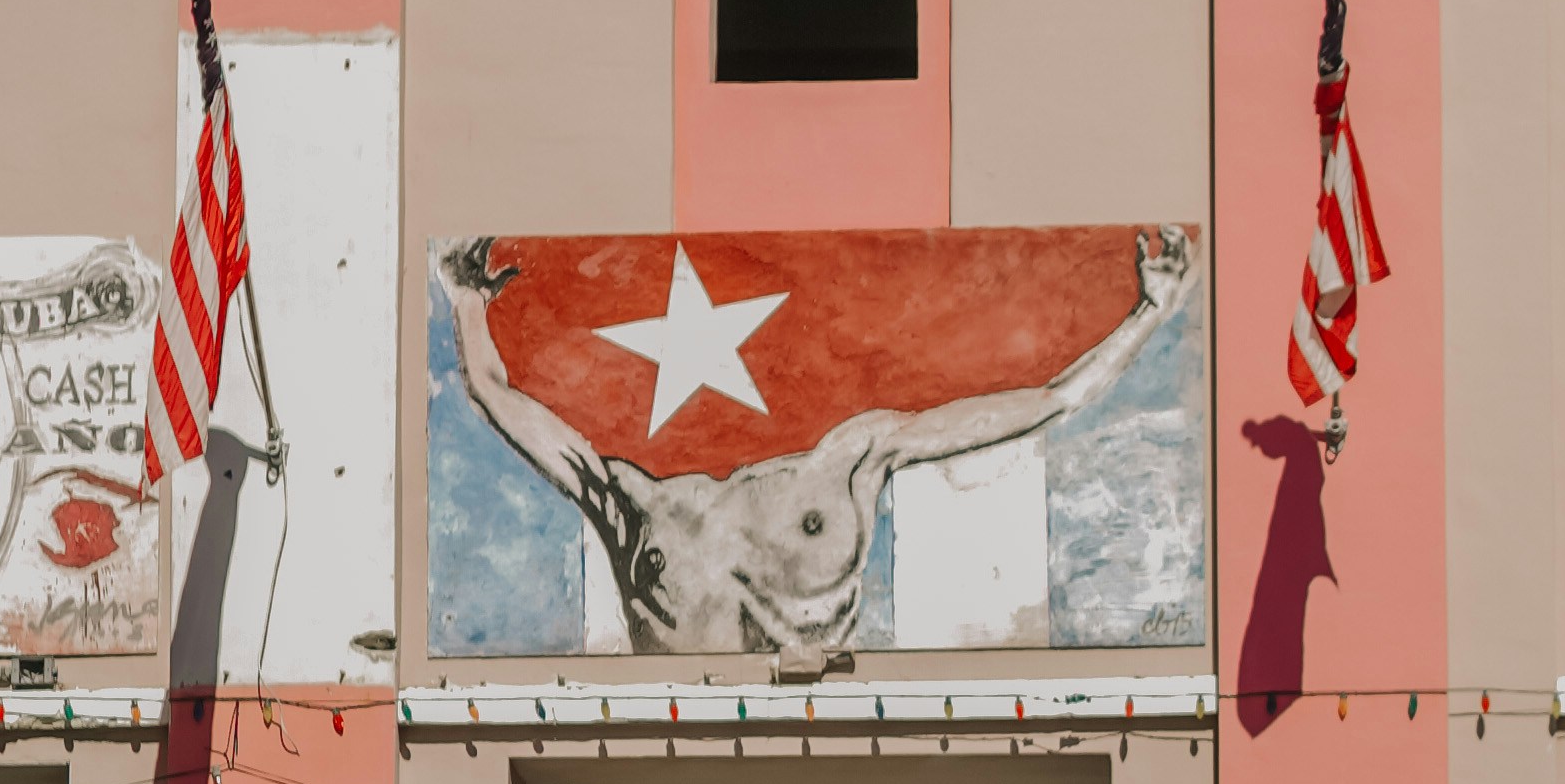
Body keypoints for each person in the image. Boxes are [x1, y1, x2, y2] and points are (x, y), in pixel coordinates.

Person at [439, 224, 1192, 677]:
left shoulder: (855, 455)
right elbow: (496, 396)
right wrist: (468, 303)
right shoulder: (631, 496)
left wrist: (1148, 316)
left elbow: (1044, 403)